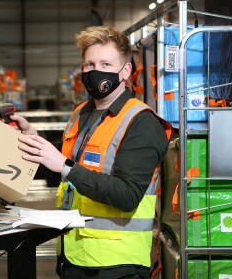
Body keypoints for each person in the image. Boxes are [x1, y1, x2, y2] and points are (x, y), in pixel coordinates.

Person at [11, 26, 172, 279]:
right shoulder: (81, 114)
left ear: (125, 71)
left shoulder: (141, 122)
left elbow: (127, 195)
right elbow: (68, 174)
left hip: (117, 265)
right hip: (74, 256)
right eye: (89, 64)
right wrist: (34, 141)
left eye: (106, 64)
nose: (95, 71)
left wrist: (63, 165)